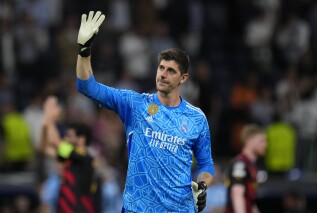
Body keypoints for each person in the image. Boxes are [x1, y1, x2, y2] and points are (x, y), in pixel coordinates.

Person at [76, 11, 215, 212]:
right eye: (161, 68)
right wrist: (84, 50)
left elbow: (206, 165)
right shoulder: (135, 104)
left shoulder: (196, 118)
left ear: (183, 78)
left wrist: (202, 186)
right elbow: (86, 86)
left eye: (171, 71)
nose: (163, 74)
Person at [40, 96, 97, 213]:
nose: (66, 139)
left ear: (81, 140)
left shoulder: (85, 158)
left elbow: (55, 142)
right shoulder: (71, 158)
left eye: (70, 136)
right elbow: (44, 148)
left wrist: (49, 118)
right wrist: (45, 125)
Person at [224, 124, 267, 213]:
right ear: (250, 141)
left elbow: (250, 201)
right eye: (261, 141)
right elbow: (237, 195)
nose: (265, 145)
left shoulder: (252, 165)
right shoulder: (240, 164)